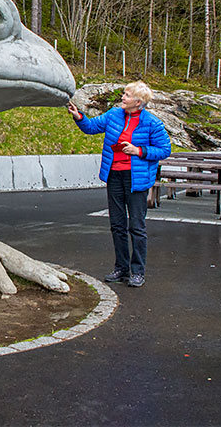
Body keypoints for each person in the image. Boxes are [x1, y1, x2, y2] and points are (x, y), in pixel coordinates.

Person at [67, 81, 171, 287]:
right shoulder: (114, 115)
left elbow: (164, 150)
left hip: (136, 180)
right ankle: (121, 268)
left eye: (126, 94)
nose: (122, 97)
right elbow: (91, 127)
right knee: (117, 225)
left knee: (137, 227)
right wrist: (78, 116)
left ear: (137, 102)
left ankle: (138, 271)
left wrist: (139, 151)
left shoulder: (152, 123)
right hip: (114, 175)